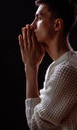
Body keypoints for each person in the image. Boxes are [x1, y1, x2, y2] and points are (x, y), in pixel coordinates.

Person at [18, 0, 77, 130]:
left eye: (38, 18)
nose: (32, 25)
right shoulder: (62, 65)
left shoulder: (67, 71)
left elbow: (36, 125)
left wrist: (30, 67)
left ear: (57, 24)